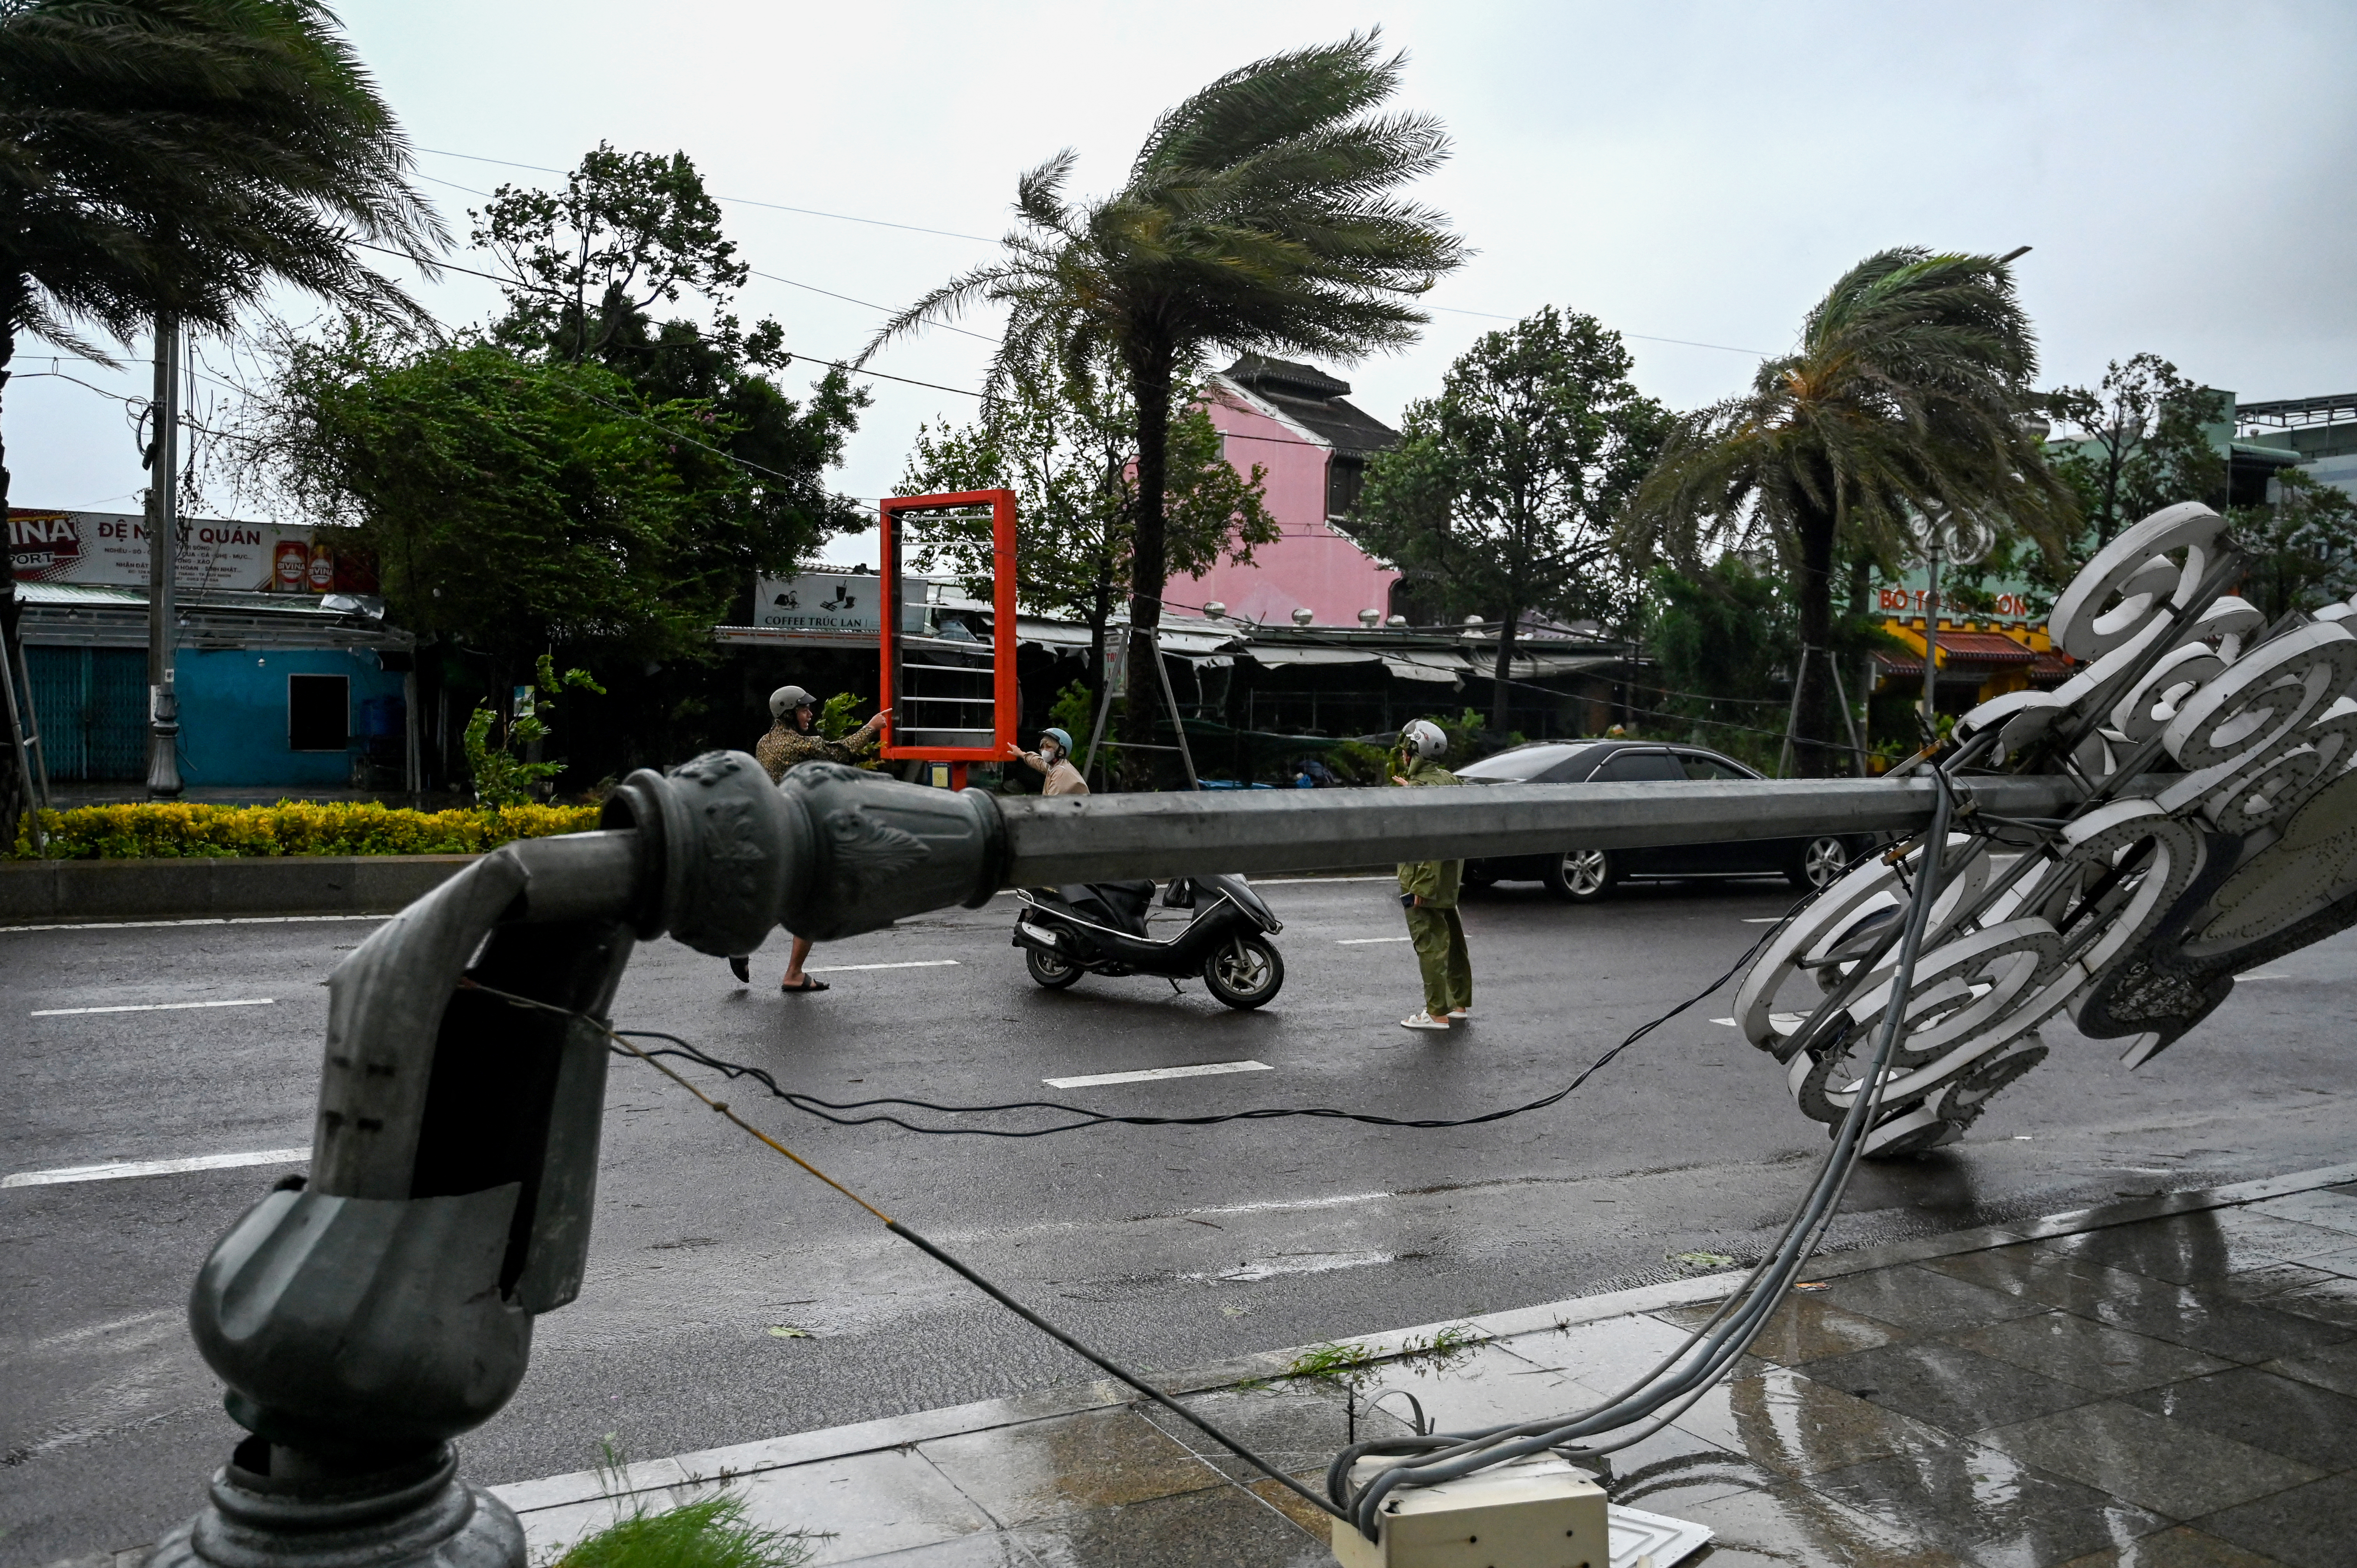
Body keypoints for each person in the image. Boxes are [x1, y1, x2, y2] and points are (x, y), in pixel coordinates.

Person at [727, 684, 892, 992]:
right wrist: (872, 726)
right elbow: (840, 753)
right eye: (804, 709)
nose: (810, 713)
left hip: (774, 831)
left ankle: (744, 940)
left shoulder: (766, 743)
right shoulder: (799, 746)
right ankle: (791, 972)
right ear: (789, 713)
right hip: (799, 835)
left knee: (791, 900)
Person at [1391, 719, 1471, 1031]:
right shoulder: (1451, 781)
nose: (1402, 756)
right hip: (1449, 878)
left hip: (1423, 878)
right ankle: (1458, 1003)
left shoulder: (1421, 790)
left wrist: (1421, 883)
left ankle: (1436, 1013)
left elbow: (1427, 841)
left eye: (1405, 750)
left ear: (1413, 752)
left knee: (1430, 943)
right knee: (1453, 942)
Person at [1011, 727, 1088, 796]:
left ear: (1061, 751)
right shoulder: (1055, 766)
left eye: (1049, 747)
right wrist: (1021, 754)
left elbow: (1051, 805)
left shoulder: (1061, 773)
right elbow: (1039, 763)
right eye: (1043, 747)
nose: (1044, 750)